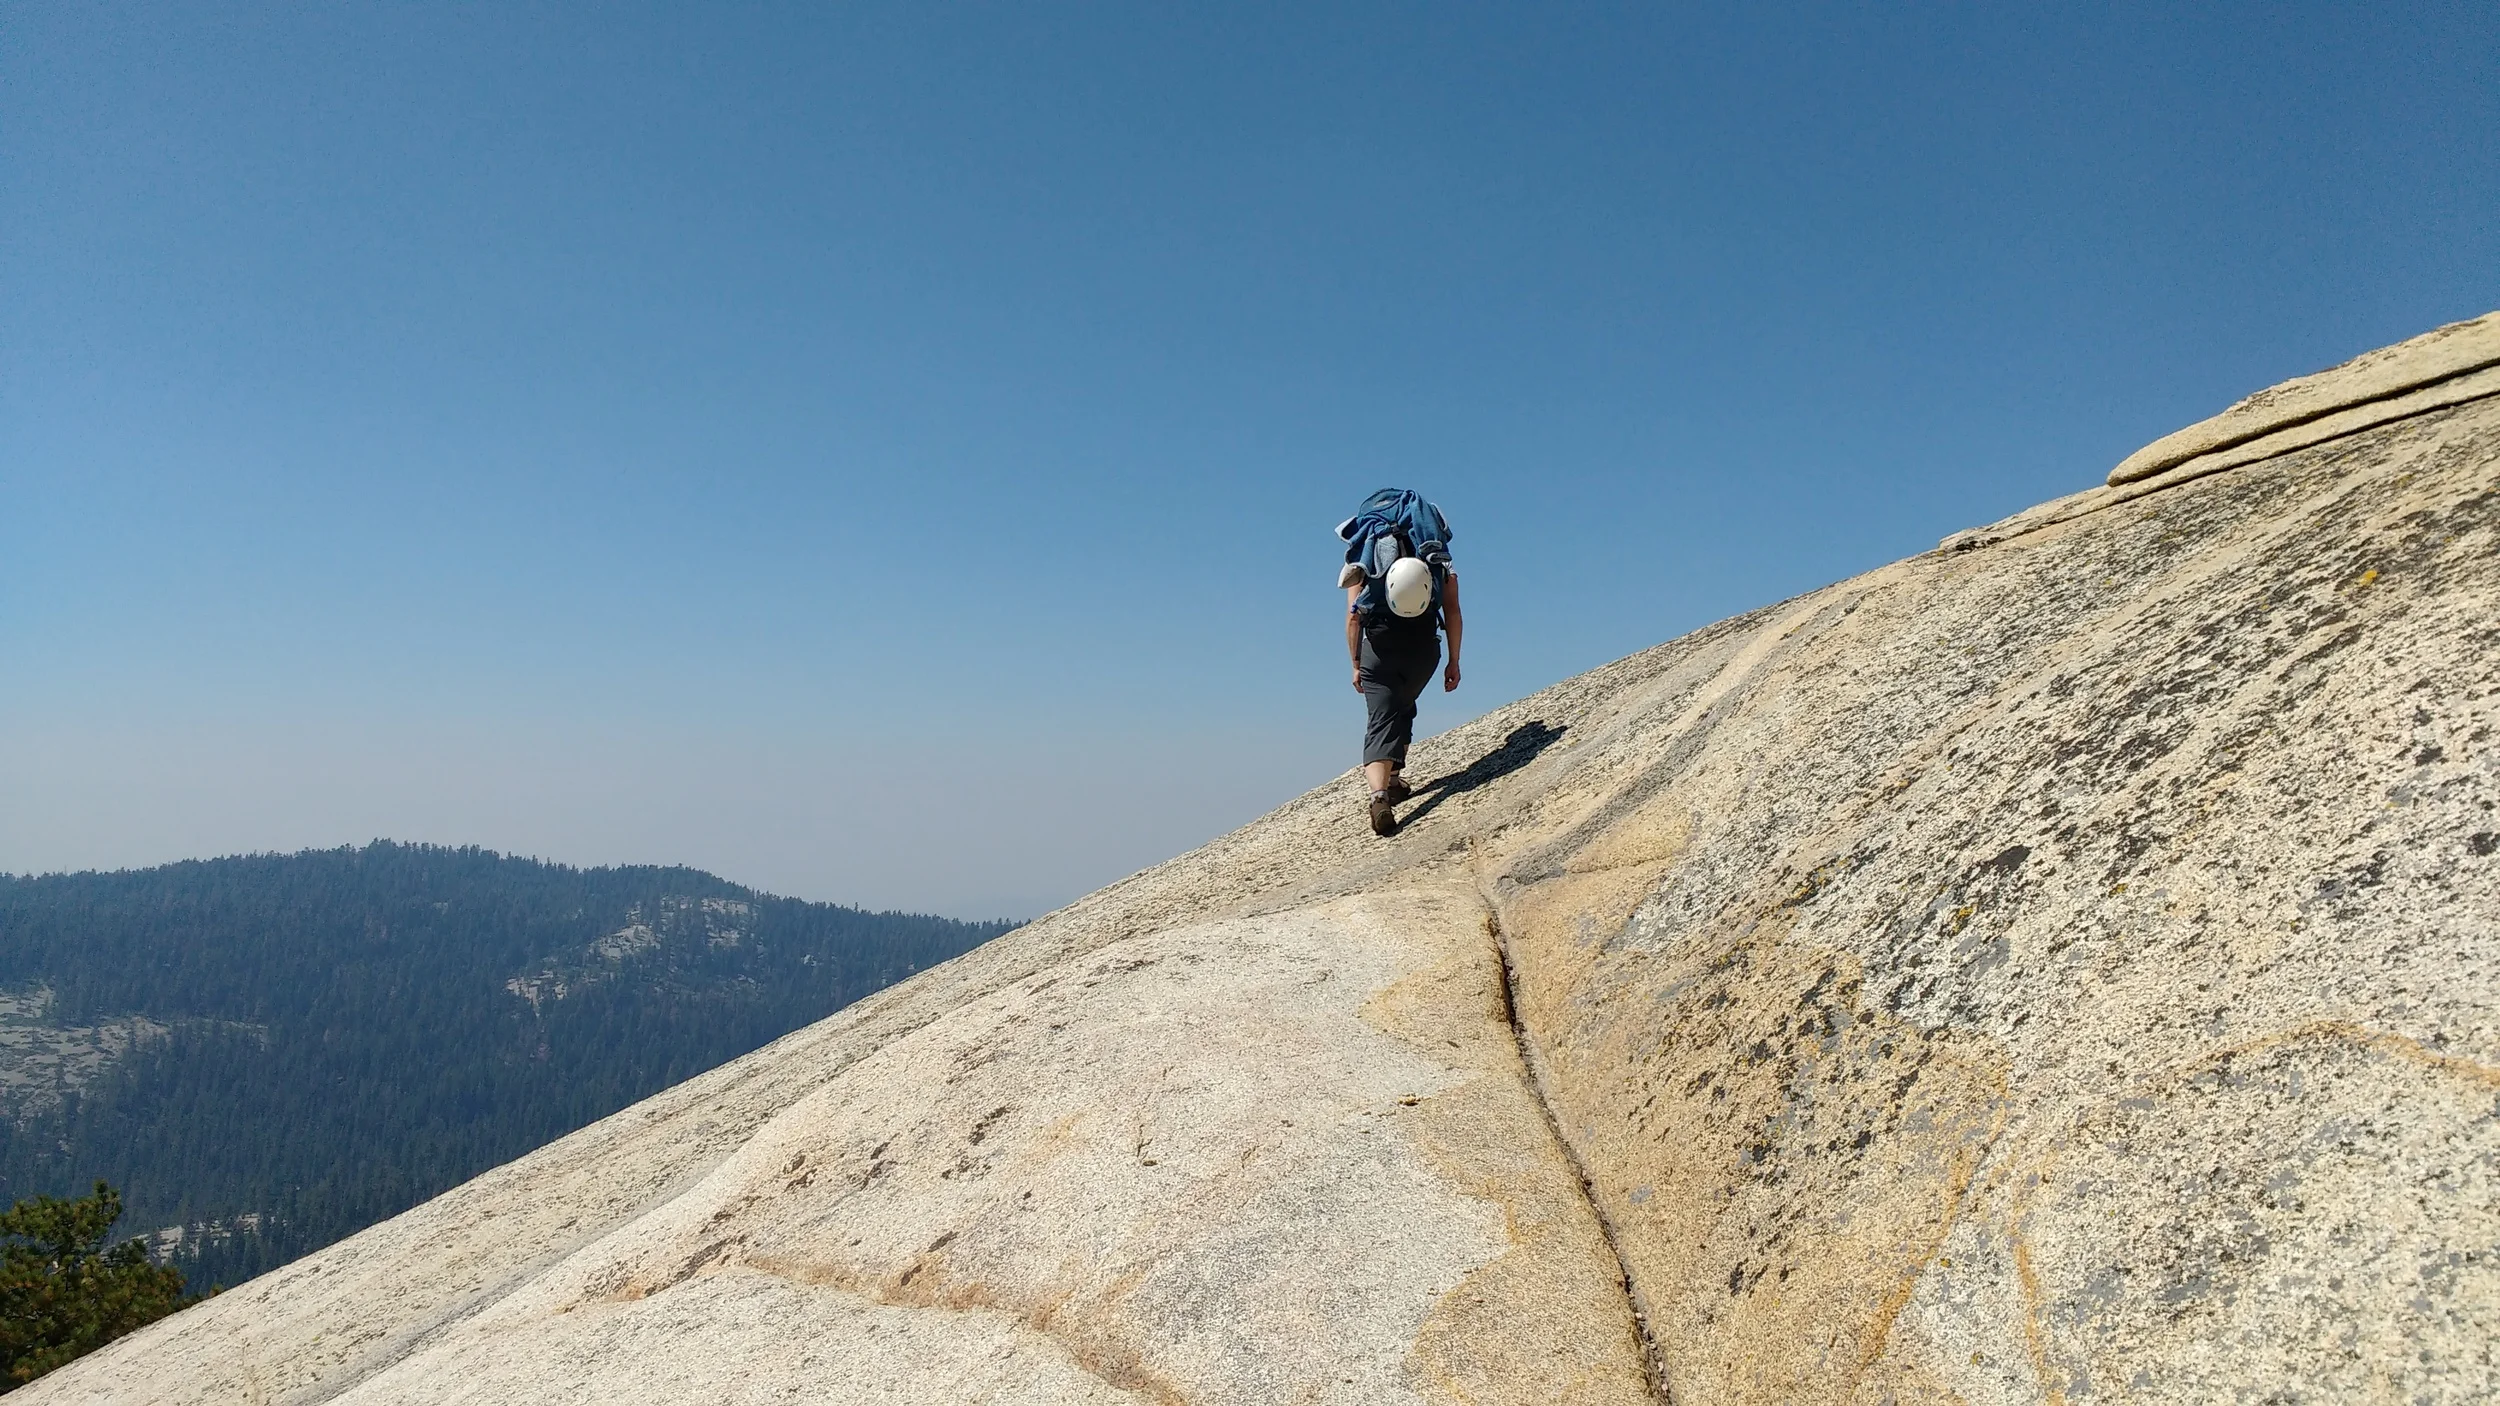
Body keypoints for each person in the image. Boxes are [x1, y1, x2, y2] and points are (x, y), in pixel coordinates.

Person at [1344, 514, 1461, 837]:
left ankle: (1379, 796)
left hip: (1380, 646)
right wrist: (1454, 661)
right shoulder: (1438, 562)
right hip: (1424, 648)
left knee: (1382, 717)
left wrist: (1355, 662)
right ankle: (1395, 783)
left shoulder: (1363, 566)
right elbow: (1452, 612)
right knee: (1404, 705)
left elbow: (1354, 619)